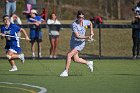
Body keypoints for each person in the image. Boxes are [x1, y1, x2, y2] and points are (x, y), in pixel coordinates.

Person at [60, 11, 94, 77]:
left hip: (80, 43)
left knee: (69, 55)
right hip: (73, 42)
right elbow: (77, 36)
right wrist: (88, 37)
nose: (81, 19)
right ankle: (88, 63)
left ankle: (66, 72)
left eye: (82, 17)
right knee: (76, 59)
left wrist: (91, 31)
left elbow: (90, 23)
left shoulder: (85, 22)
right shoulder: (74, 24)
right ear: (77, 17)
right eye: (79, 17)